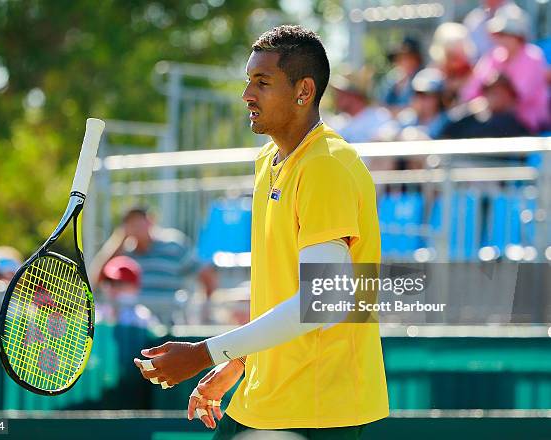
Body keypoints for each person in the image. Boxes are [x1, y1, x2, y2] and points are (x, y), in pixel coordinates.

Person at [133, 25, 388, 439]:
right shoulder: (269, 158)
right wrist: (240, 361)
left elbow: (320, 303)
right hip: (263, 399)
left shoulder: (326, 165)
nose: (247, 95)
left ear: (304, 91)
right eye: (248, 81)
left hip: (319, 409)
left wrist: (203, 353)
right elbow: (282, 289)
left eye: (263, 82)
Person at [90, 207, 217, 323]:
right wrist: (119, 239)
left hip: (170, 325)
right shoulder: (125, 252)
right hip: (136, 326)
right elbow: (97, 279)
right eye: (131, 223)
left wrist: (205, 309)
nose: (136, 226)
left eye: (140, 221)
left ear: (150, 221)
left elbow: (206, 274)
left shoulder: (173, 246)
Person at [461, 4, 549, 133]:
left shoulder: (533, 57)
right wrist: (484, 102)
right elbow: (470, 92)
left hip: (526, 123)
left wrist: (489, 100)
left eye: (505, 33)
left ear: (519, 36)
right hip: (490, 116)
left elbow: (516, 98)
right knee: (456, 122)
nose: (500, 38)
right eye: (498, 33)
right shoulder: (494, 55)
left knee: (483, 128)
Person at [442, 72, 531, 139]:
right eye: (491, 92)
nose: (495, 97)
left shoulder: (514, 124)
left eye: (500, 93)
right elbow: (444, 133)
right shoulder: (467, 117)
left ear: (510, 97)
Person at [326, 66, 392, 143]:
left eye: (342, 93)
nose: (337, 97)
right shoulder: (338, 122)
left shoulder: (380, 116)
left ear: (354, 95)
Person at [96, 255, 160, 328]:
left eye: (120, 284)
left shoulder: (144, 318)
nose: (113, 288)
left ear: (135, 287)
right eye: (110, 283)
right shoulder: (96, 314)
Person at [428, 22, 476, 109]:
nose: (455, 61)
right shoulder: (435, 71)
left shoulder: (473, 72)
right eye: (451, 55)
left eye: (458, 55)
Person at [377, 36, 423, 112]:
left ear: (417, 59)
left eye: (410, 58)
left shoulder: (422, 78)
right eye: (402, 58)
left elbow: (416, 109)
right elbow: (381, 106)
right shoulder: (391, 79)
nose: (406, 63)